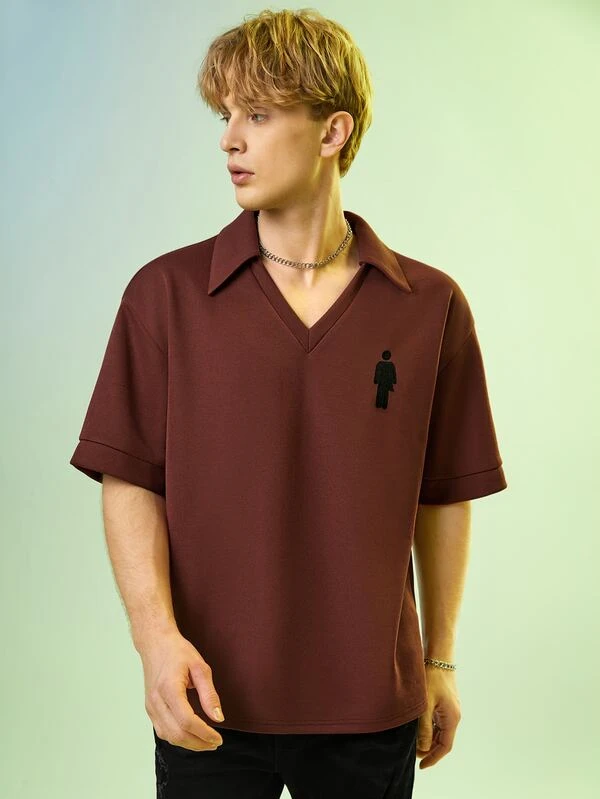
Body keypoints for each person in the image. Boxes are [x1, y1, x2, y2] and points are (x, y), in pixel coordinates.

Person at [69, 8, 508, 798]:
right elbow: (129, 478)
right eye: (226, 116)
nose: (229, 140)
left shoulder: (429, 305)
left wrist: (440, 659)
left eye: (259, 116)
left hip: (371, 707)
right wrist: (156, 641)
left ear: (333, 131)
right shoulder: (165, 296)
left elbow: (444, 494)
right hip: (207, 698)